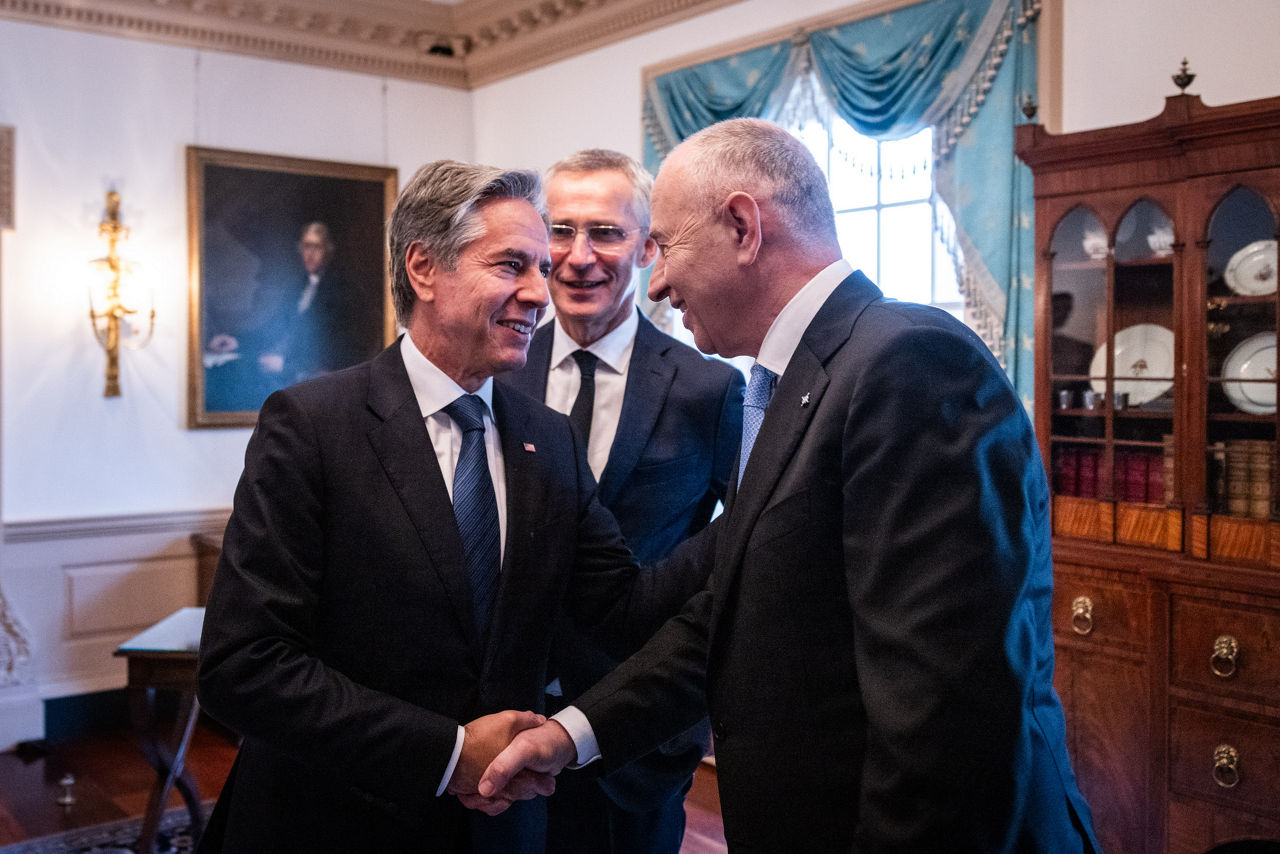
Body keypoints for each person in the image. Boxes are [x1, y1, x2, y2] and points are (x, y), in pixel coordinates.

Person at [477, 118, 1103, 853]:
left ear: (743, 227)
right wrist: (571, 736)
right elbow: (727, 615)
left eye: (667, 247)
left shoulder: (908, 363)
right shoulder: (785, 386)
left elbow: (946, 721)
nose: (660, 281)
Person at [196, 160, 709, 854]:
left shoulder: (546, 439)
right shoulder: (314, 426)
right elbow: (244, 667)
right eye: (512, 266)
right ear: (424, 269)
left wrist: (756, 506)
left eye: (539, 268)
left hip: (499, 830)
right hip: (332, 824)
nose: (541, 292)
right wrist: (448, 752)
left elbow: (623, 610)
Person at [499, 149, 744, 854]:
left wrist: (687, 723)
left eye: (604, 232)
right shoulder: (497, 374)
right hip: (503, 729)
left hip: (636, 748)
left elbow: (749, 544)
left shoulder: (709, 391)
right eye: (560, 230)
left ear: (645, 247)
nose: (578, 257)